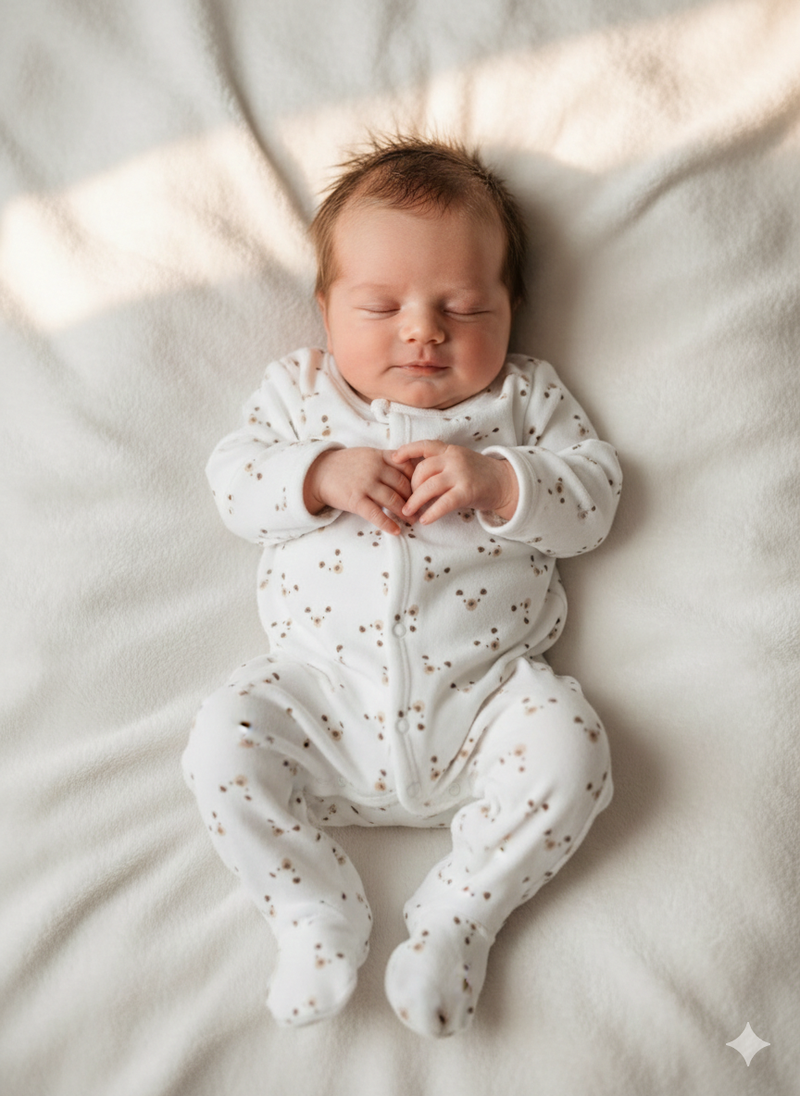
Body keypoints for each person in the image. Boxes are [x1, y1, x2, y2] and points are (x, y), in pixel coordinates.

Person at [182, 134, 622, 1037]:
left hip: (485, 703)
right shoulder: (302, 398)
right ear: (326, 310)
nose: (423, 330)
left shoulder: (524, 402)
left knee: (573, 750)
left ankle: (459, 918)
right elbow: (233, 482)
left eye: (462, 306)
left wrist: (503, 481)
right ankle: (312, 913)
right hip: (321, 697)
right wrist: (318, 474)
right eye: (381, 306)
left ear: (511, 309)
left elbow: (595, 498)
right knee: (222, 745)